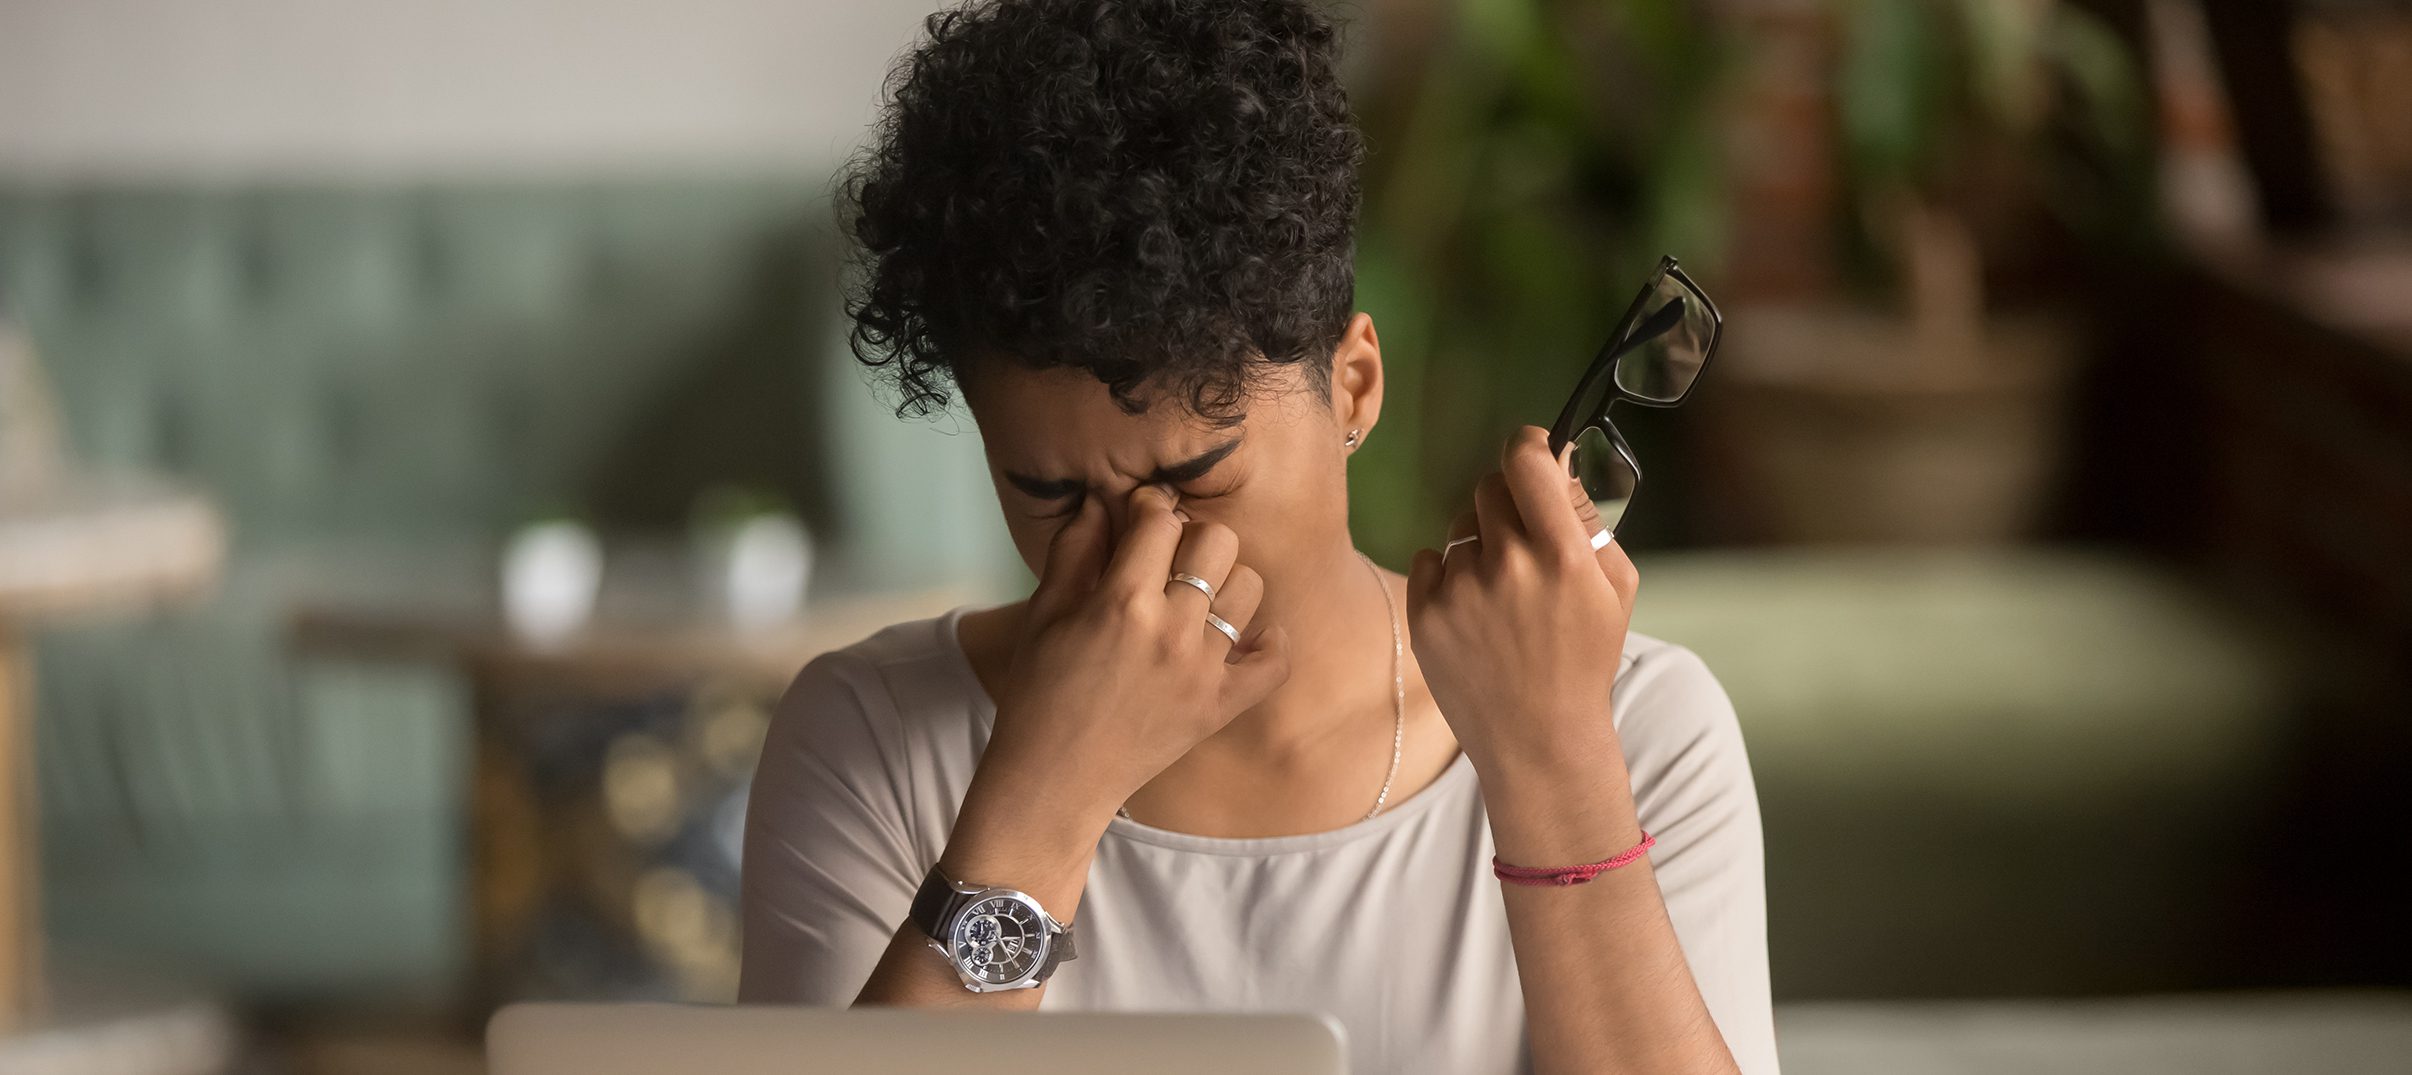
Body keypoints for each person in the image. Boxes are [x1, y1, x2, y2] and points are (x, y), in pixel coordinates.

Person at [737, 1, 1776, 1071]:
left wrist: (1553, 762)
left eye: (1197, 477)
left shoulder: (1638, 729)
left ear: (1354, 386)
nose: (1136, 552)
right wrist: (1046, 792)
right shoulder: (874, 738)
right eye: (1051, 494)